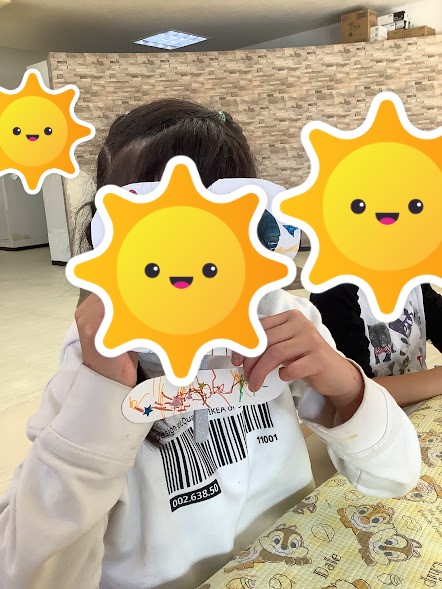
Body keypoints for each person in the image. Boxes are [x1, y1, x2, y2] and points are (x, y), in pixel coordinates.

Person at [0, 99, 420, 589]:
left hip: (287, 565)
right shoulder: (94, 360)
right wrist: (99, 399)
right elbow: (29, 573)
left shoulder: (282, 320)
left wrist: (347, 386)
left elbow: (395, 474)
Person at [310, 284, 442, 408]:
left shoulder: (412, 281)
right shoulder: (332, 294)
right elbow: (358, 394)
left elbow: (435, 314)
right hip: (371, 417)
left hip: (421, 403)